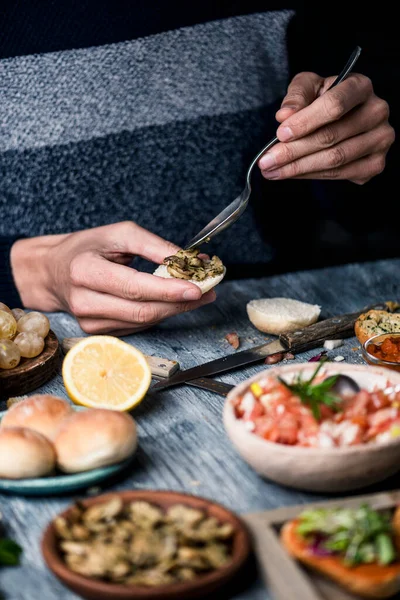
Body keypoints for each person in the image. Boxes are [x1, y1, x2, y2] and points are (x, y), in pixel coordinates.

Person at [0, 2, 397, 336]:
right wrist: (37, 270)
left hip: (264, 314)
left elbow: (365, 210)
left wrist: (357, 152)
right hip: (42, 336)